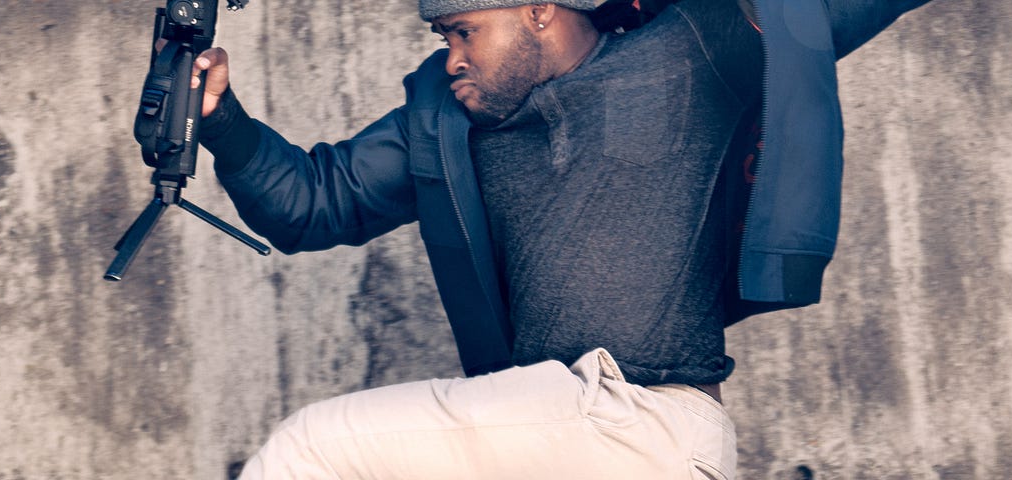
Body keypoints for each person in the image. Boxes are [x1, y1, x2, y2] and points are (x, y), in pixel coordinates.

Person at [187, 0, 930, 477]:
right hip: (541, 435)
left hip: (648, 425)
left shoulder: (692, 51)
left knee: (310, 451)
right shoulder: (443, 114)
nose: (451, 56)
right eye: (444, 37)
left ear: (539, 12)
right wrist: (222, 120)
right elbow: (315, 203)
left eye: (464, 31)